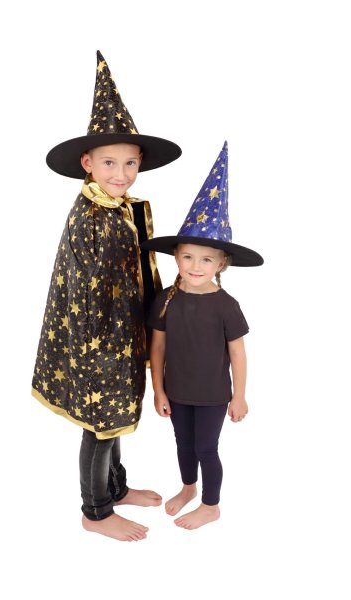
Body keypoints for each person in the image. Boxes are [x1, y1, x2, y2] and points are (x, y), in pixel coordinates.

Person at [31, 51, 181, 541]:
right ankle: (95, 511)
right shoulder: (93, 217)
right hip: (98, 344)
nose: (121, 173)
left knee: (114, 421)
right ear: (88, 163)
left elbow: (131, 273)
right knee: (100, 427)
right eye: (109, 163)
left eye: (130, 163)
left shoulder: (116, 207)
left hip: (119, 337)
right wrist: (105, 349)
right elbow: (88, 290)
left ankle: (115, 488)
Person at [142, 141, 263, 530]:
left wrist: (239, 395)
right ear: (176, 256)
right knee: (183, 444)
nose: (196, 266)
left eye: (206, 259)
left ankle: (211, 505)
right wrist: (159, 390)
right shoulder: (166, 299)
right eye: (188, 256)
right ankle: (188, 488)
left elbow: (238, 354)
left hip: (213, 395)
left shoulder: (226, 305)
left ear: (221, 263)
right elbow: (157, 348)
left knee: (206, 448)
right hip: (177, 392)